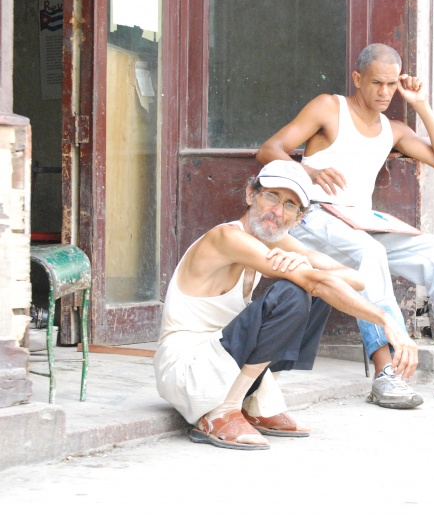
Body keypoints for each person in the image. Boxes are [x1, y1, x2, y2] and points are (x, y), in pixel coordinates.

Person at [256, 43, 434, 409]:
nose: (384, 93)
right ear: (358, 78)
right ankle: (386, 373)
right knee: (369, 253)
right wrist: (307, 170)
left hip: (359, 224)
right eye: (376, 83)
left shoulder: (394, 130)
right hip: (313, 218)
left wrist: (421, 104)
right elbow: (269, 149)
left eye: (392, 85)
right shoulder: (330, 108)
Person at [153, 160, 417, 450]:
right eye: (272, 197)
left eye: (290, 205)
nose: (277, 212)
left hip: (220, 358)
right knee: (296, 292)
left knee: (312, 289)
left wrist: (304, 262)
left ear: (298, 217)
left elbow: (355, 279)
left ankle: (252, 404)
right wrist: (386, 320)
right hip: (186, 371)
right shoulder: (226, 237)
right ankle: (223, 411)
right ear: (250, 195)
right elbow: (316, 282)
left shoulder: (277, 240)